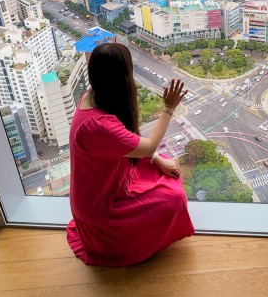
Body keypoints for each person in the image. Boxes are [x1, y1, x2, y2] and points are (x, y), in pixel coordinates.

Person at [66, 42, 194, 266]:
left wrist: (157, 160)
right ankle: (135, 245)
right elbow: (149, 146)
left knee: (163, 174)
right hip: (102, 207)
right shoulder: (100, 125)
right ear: (122, 77)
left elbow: (132, 149)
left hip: (104, 184)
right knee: (174, 198)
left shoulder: (90, 96)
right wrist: (169, 108)